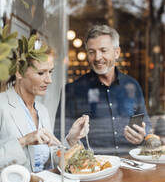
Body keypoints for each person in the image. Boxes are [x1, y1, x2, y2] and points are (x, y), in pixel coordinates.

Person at [55, 24, 152, 155]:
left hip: (131, 164)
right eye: (91, 52)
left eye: (103, 50)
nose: (97, 57)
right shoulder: (72, 90)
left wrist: (143, 136)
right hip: (93, 169)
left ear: (117, 52)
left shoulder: (132, 85)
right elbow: (59, 136)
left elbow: (145, 122)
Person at [0, 35, 89, 172]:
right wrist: (24, 141)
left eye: (50, 72)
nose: (49, 80)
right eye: (41, 73)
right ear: (19, 73)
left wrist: (71, 140)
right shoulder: (2, 105)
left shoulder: (42, 110)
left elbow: (52, 158)